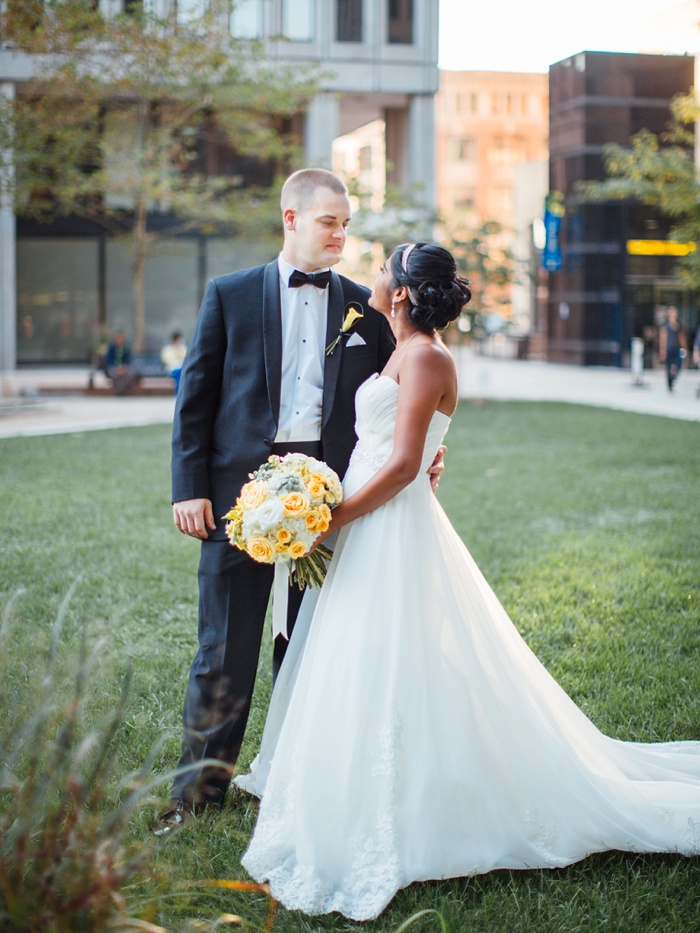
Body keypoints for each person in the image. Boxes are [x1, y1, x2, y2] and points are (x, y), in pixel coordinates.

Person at [235, 243, 700, 922]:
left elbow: (400, 467)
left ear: (401, 292)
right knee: (362, 652)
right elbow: (407, 446)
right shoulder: (399, 347)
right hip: (370, 514)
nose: (373, 274)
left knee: (390, 647)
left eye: (383, 267)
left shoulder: (426, 355)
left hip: (387, 520)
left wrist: (333, 517)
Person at [156, 170, 443, 832]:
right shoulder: (228, 295)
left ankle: (296, 777)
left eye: (346, 222)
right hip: (235, 498)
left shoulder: (364, 306)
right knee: (223, 648)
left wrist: (431, 446)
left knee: (312, 642)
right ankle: (196, 795)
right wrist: (189, 486)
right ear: (291, 219)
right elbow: (194, 397)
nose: (342, 233)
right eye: (329, 222)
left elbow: (408, 384)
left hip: (330, 496)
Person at [659, 306, 686, 392]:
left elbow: (681, 337)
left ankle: (673, 378)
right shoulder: (665, 325)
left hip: (677, 348)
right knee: (668, 367)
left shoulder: (678, 325)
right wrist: (662, 350)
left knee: (679, 365)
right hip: (668, 348)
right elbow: (663, 339)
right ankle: (669, 385)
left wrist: (684, 348)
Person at [104, 330, 138, 396]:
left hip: (124, 367)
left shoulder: (126, 348)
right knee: (116, 375)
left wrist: (123, 367)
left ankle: (124, 390)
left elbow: (128, 360)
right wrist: (116, 367)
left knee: (129, 374)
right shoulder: (111, 348)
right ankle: (119, 391)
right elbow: (108, 360)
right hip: (113, 367)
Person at [160, 330, 188, 395]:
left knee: (182, 372)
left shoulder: (183, 348)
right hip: (171, 369)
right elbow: (167, 361)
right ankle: (178, 393)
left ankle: (181, 393)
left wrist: (179, 350)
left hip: (181, 368)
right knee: (179, 374)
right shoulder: (168, 349)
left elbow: (186, 359)